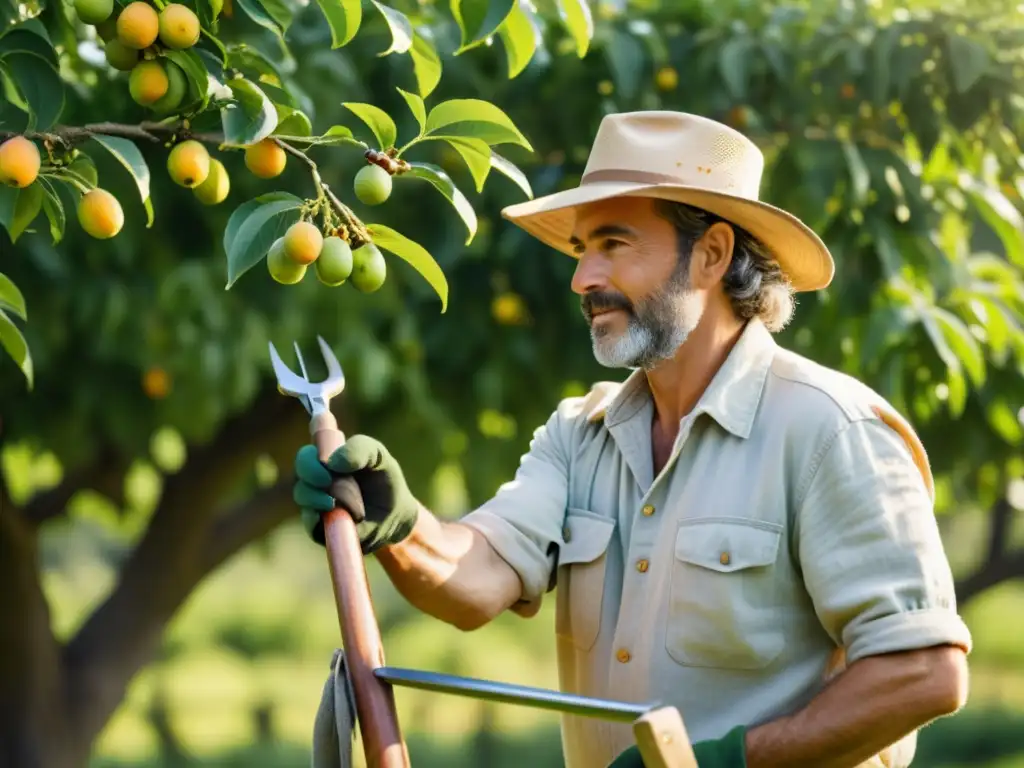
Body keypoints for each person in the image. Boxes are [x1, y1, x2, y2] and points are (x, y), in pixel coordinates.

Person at [292, 111, 972, 768]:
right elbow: (476, 578)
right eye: (583, 250)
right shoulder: (578, 435)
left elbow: (923, 672)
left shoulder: (830, 430)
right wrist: (398, 523)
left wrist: (723, 764)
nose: (582, 279)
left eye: (613, 245)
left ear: (710, 255)